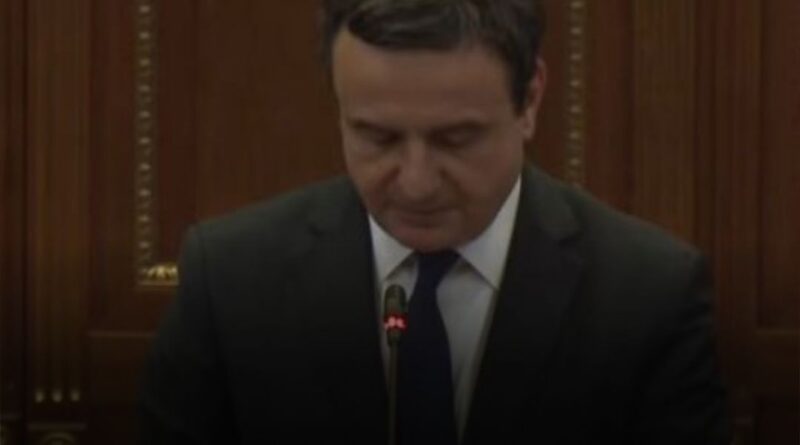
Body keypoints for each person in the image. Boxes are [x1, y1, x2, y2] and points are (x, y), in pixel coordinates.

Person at [140, 0, 731, 443]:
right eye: (378, 138)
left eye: (456, 139)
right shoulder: (231, 279)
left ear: (529, 100)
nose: (416, 183)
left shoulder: (648, 296)